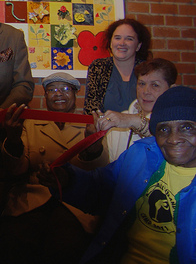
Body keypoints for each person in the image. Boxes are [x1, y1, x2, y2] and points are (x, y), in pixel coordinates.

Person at [39, 86, 196, 263]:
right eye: (164, 129)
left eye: (187, 127)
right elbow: (101, 191)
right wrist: (67, 179)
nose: (174, 139)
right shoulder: (142, 154)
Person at [0, 72, 108, 264]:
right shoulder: (29, 125)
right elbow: (16, 169)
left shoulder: (90, 126)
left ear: (75, 95)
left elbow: (100, 172)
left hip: (74, 204)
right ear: (45, 95)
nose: (59, 94)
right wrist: (13, 138)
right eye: (52, 89)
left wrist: (94, 145)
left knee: (65, 246)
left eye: (65, 89)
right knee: (16, 241)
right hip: (33, 198)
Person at [95, 58, 178, 162]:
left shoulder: (179, 122)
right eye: (142, 84)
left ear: (171, 89)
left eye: (155, 85)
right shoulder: (118, 122)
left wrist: (134, 121)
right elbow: (107, 170)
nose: (146, 91)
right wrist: (94, 146)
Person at [84, 18, 151, 115]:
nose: (122, 43)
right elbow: (91, 111)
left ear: (138, 46)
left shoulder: (148, 70)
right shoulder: (98, 67)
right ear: (111, 43)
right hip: (106, 129)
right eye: (117, 38)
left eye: (129, 39)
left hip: (140, 129)